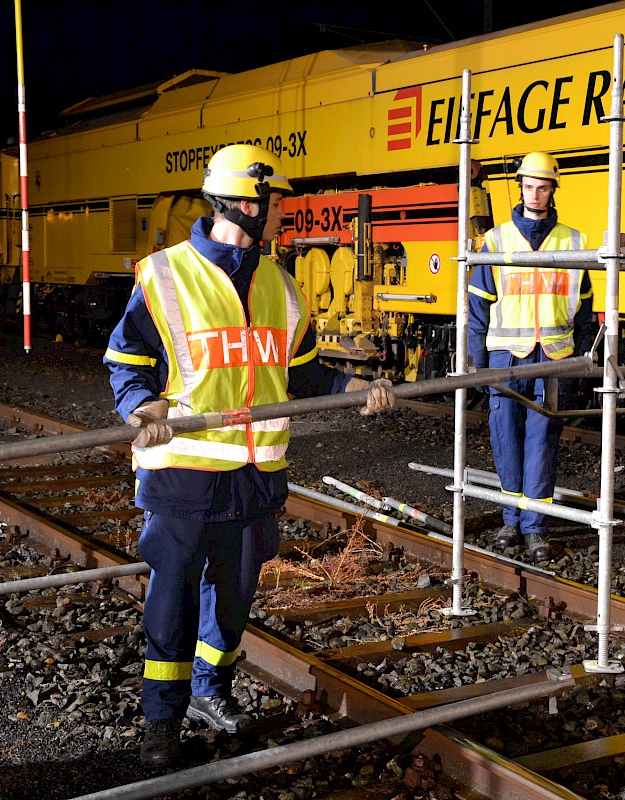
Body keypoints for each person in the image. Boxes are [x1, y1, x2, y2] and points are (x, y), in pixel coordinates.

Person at [104, 143, 394, 768]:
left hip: (253, 475)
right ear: (244, 201)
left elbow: (305, 373)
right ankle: (162, 716)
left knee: (234, 596)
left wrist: (356, 389)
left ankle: (211, 689)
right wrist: (141, 406)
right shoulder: (166, 274)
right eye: (278, 199)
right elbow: (126, 358)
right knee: (173, 594)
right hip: (183, 471)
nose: (286, 211)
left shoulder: (282, 286)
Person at [467, 151, 594, 563]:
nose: (535, 194)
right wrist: (474, 365)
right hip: (506, 358)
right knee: (506, 441)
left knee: (541, 445)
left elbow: (585, 309)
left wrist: (584, 361)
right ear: (520, 188)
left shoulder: (574, 243)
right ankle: (510, 520)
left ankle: (534, 525)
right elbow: (477, 308)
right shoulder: (498, 240)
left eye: (542, 187)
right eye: (528, 187)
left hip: (554, 358)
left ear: (552, 190)